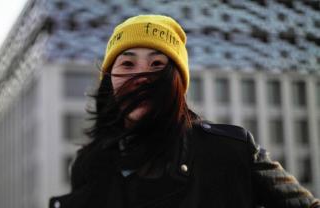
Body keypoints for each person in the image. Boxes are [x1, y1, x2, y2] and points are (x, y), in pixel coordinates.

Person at [49, 14, 320, 208]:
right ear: (110, 80)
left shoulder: (232, 150)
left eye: (157, 64)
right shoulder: (89, 164)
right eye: (127, 64)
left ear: (177, 81)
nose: (141, 77)